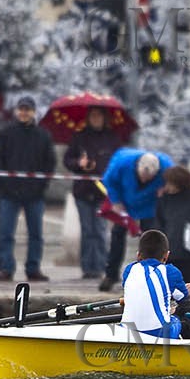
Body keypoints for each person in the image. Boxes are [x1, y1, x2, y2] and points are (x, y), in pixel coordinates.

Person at [0, 96, 55, 282]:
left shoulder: (43, 135)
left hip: (34, 194)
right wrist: (5, 183)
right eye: (21, 109)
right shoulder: (6, 133)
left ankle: (33, 268)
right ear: (17, 111)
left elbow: (49, 163)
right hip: (9, 193)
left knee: (36, 234)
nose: (24, 113)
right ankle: (6, 267)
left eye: (28, 109)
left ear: (33, 112)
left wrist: (40, 186)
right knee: (5, 233)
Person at [62, 106, 125, 281]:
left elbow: (119, 161)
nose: (95, 119)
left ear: (104, 118)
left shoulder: (112, 139)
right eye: (93, 116)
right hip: (83, 190)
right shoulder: (79, 137)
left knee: (100, 230)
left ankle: (101, 265)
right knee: (87, 230)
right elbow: (67, 160)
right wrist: (79, 163)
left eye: (98, 116)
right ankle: (88, 267)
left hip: (103, 192)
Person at [99, 147, 174, 291]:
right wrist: (115, 201)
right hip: (124, 201)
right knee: (117, 235)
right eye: (142, 177)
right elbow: (109, 181)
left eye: (148, 178)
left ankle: (152, 273)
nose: (144, 180)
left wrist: (166, 187)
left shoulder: (166, 166)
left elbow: (174, 181)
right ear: (137, 168)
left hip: (149, 204)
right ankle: (111, 274)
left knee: (151, 238)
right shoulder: (122, 162)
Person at [119, 229, 190, 340]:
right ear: (166, 255)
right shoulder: (170, 272)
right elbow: (186, 303)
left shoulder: (129, 270)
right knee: (183, 320)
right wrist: (188, 295)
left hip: (126, 331)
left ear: (138, 255)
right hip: (160, 332)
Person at [158, 165, 190, 287]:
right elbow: (159, 224)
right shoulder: (164, 199)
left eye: (170, 183)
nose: (167, 187)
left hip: (189, 253)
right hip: (169, 252)